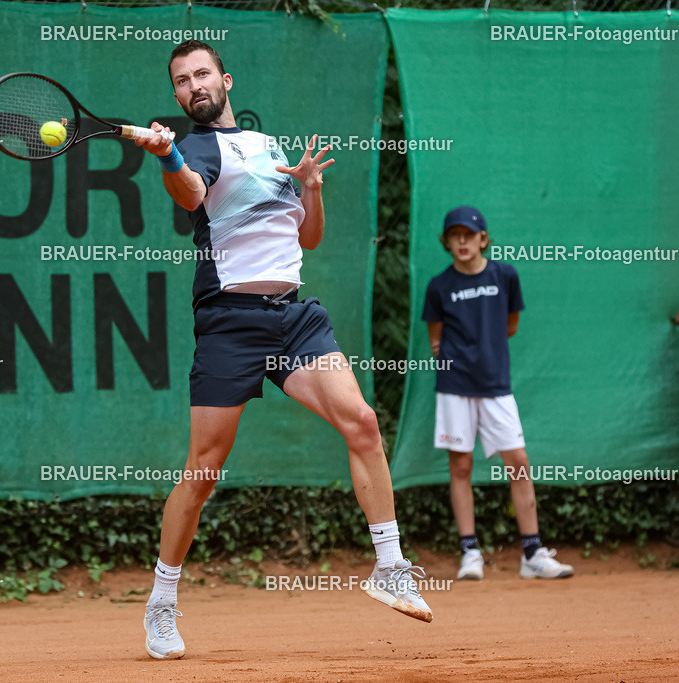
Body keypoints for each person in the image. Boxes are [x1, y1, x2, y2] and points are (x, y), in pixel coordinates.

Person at [132, 40, 432, 661]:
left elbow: (308, 238)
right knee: (203, 470)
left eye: (203, 74)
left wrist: (312, 189)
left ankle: (390, 567)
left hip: (293, 318)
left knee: (364, 422)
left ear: (226, 79)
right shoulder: (193, 148)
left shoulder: (268, 148)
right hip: (229, 323)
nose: (194, 86)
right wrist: (165, 157)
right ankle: (162, 601)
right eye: (182, 81)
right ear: (178, 96)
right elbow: (190, 195)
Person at [422, 206, 574, 582]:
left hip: (495, 386)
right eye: (455, 235)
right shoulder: (439, 286)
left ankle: (532, 553)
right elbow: (435, 340)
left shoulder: (505, 275)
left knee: (519, 461)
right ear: (446, 241)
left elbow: (511, 325)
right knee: (461, 465)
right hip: (454, 386)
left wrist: (484, 352)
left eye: (469, 234)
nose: (462, 241)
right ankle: (470, 552)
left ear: (483, 239)